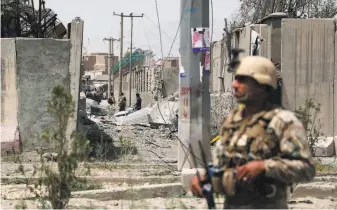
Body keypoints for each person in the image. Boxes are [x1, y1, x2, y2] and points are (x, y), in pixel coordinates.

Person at [190, 56, 316, 209]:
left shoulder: (283, 121)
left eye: (242, 80)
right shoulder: (232, 121)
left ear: (262, 86)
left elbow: (306, 169)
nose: (234, 85)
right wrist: (204, 179)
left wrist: (264, 166)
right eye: (236, 79)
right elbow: (221, 163)